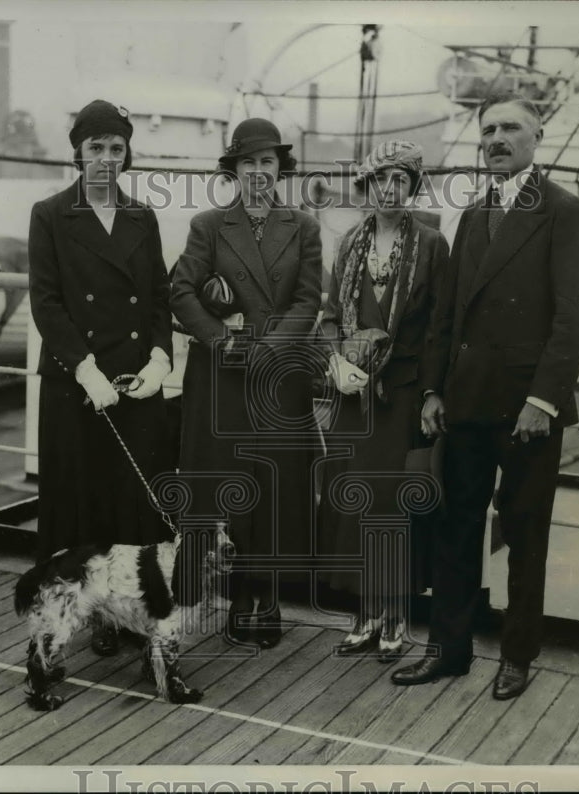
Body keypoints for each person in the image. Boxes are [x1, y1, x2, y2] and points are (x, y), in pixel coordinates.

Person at [391, 93, 579, 699]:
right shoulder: (474, 216)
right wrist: (432, 389)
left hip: (529, 408)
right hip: (468, 401)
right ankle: (449, 651)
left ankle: (517, 655)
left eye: (511, 128)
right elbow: (447, 317)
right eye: (489, 130)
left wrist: (545, 401)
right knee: (456, 530)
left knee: (526, 535)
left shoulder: (564, 212)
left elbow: (573, 319)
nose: (497, 139)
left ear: (538, 136)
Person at [28, 99, 175, 656]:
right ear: (78, 154)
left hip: (136, 387)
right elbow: (46, 302)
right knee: (76, 504)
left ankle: (123, 616)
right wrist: (86, 369)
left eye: (116, 148)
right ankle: (65, 622)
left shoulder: (143, 216)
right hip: (76, 387)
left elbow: (159, 298)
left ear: (127, 154)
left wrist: (159, 360)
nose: (106, 160)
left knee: (131, 506)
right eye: (96, 148)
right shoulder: (50, 214)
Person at [170, 118, 323, 649]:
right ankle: (227, 596)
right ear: (233, 170)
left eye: (267, 163)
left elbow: (308, 300)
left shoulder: (303, 226)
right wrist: (221, 340)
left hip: (277, 377)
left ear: (280, 169)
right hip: (220, 377)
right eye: (248, 163)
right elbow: (181, 291)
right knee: (222, 486)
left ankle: (265, 596)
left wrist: (268, 349)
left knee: (275, 488)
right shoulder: (209, 225)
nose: (259, 173)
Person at [316, 140, 449, 663]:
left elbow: (441, 327)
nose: (389, 190)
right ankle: (362, 614)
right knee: (353, 503)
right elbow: (330, 315)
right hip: (354, 395)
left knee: (392, 505)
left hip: (404, 394)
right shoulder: (348, 243)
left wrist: (431, 393)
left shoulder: (433, 245)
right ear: (366, 187)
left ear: (412, 188)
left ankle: (394, 615)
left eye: (400, 181)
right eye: (379, 181)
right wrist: (337, 362)